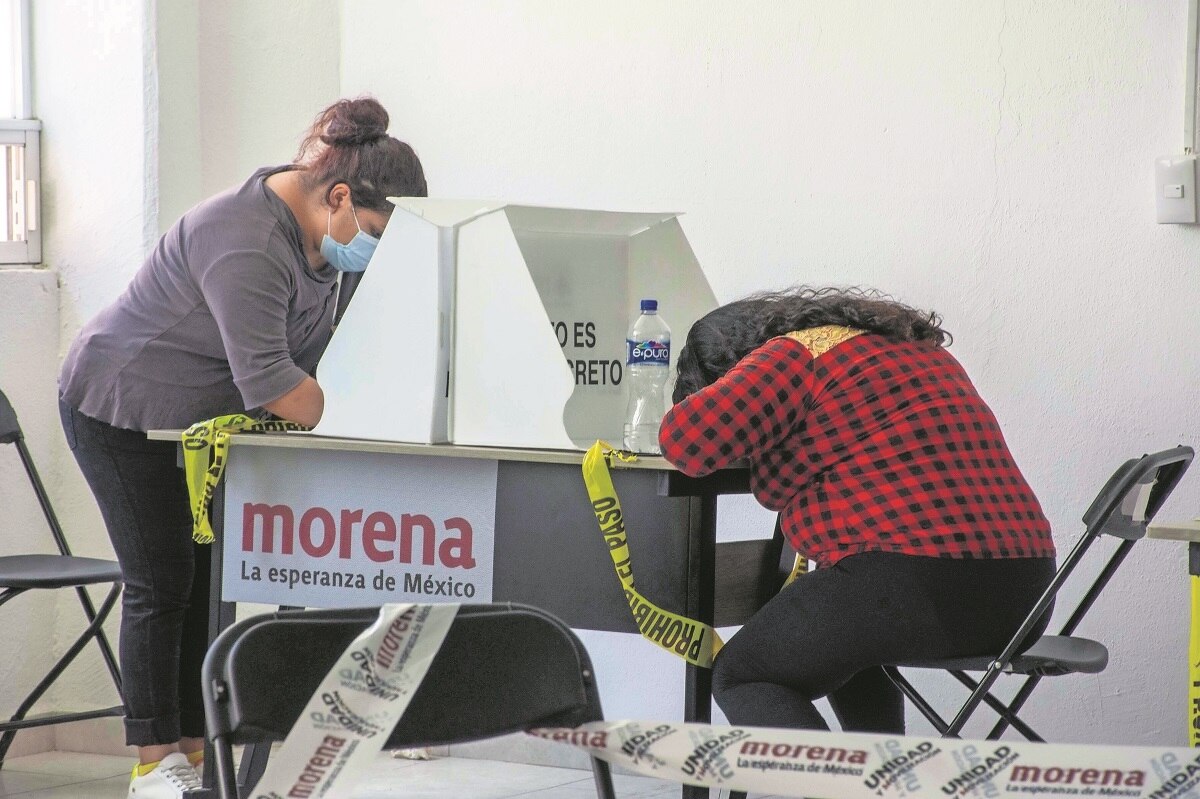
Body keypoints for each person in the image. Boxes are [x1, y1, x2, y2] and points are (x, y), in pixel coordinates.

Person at [57, 96, 426, 799]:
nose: (376, 251)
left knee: (205, 581)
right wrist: (364, 407)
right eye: (379, 233)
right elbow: (275, 386)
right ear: (339, 197)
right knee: (161, 580)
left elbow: (340, 351)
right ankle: (151, 763)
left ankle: (194, 754)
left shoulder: (327, 235)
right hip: (118, 404)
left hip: (197, 422)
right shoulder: (244, 237)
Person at [659, 286, 1056, 734]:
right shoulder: (909, 346)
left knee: (744, 675)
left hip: (922, 584)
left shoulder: (792, 355)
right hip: (1026, 597)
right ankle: (880, 770)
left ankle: (833, 775)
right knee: (846, 646)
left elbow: (684, 441)